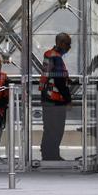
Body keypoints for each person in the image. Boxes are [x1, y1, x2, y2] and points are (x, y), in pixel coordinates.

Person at [39, 32, 72, 161]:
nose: (69, 47)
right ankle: (51, 156)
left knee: (49, 128)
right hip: (54, 100)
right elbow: (59, 81)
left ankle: (48, 154)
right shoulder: (56, 57)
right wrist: (68, 99)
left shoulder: (50, 55)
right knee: (56, 129)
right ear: (60, 43)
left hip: (47, 98)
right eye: (67, 44)